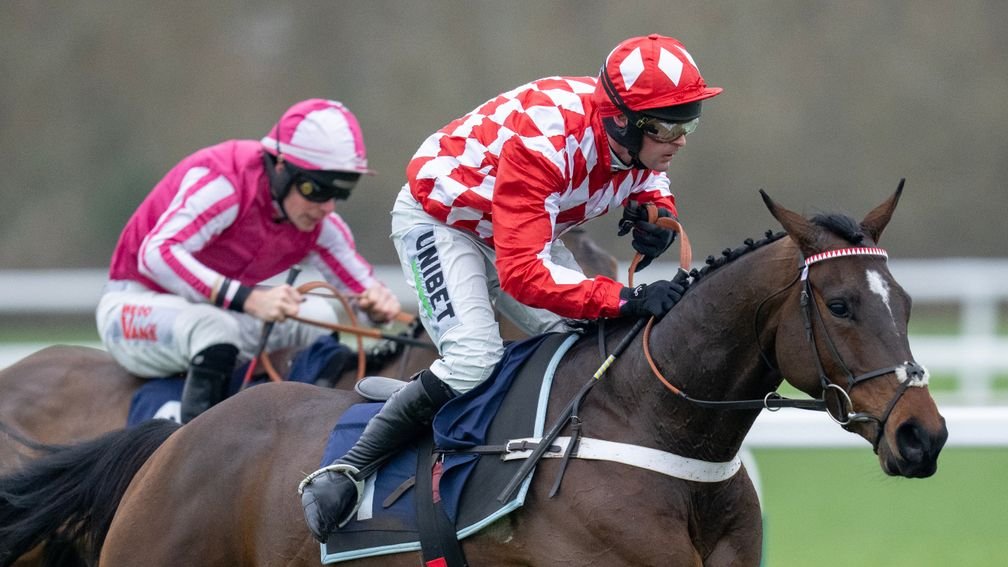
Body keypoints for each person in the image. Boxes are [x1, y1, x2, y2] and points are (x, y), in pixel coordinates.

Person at [299, 34, 721, 540]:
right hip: (444, 221)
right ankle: (348, 468)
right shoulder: (547, 142)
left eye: (689, 123)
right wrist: (622, 297)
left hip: (517, 228)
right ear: (622, 122)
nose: (681, 140)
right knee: (473, 359)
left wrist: (657, 210)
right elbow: (522, 273)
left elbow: (650, 174)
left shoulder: (634, 141)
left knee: (592, 344)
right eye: (669, 127)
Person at [95, 99, 401, 424]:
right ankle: (193, 445)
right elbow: (156, 254)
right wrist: (250, 299)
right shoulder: (225, 184)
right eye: (315, 189)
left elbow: (362, 292)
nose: (327, 207)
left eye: (340, 192)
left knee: (319, 317)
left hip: (217, 311)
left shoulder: (317, 222)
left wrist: (377, 306)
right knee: (213, 328)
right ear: (280, 167)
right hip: (134, 307)